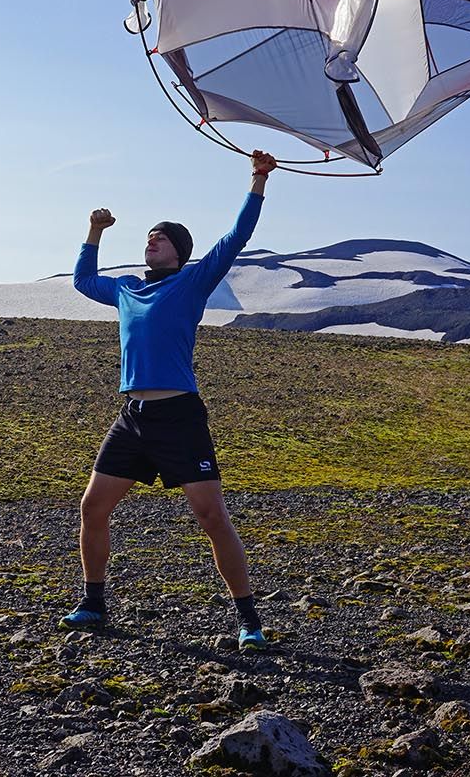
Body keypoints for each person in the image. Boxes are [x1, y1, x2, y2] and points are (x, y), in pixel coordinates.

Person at [62, 149, 279, 651]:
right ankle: (93, 603)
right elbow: (82, 281)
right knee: (93, 506)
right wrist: (94, 231)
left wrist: (258, 180)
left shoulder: (192, 282)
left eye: (160, 237)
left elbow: (236, 238)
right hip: (133, 416)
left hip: (179, 416)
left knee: (211, 517)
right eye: (148, 236)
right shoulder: (126, 289)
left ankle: (248, 619)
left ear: (179, 251)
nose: (151, 240)